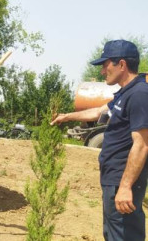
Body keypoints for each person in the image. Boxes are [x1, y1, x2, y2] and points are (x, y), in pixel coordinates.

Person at [51, 40, 148, 241]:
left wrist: (125, 187)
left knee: (123, 234)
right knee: (113, 233)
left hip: (122, 181)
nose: (103, 71)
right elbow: (98, 111)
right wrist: (66, 116)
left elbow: (142, 144)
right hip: (114, 179)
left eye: (106, 65)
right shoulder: (125, 93)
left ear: (121, 64)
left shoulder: (139, 94)